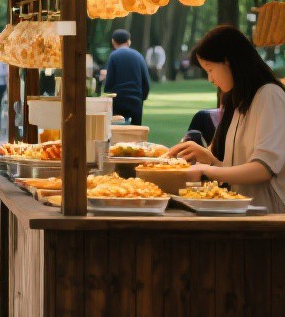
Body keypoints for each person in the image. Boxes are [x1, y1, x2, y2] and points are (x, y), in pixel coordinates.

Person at [170, 25, 285, 213]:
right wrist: (207, 158)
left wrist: (206, 170)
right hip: (242, 211)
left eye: (210, 69)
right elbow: (235, 171)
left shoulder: (269, 95)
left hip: (269, 216)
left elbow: (262, 169)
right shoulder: (237, 100)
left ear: (228, 61)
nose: (210, 78)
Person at [103, 28, 150, 125]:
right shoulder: (138, 56)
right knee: (136, 133)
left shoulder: (113, 56)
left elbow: (109, 82)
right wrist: (142, 98)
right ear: (128, 41)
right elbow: (145, 81)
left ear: (113, 42)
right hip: (136, 100)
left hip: (118, 100)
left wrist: (108, 98)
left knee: (117, 132)